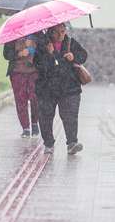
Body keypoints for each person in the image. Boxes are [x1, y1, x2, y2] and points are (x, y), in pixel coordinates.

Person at [34, 23, 88, 155]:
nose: (60, 35)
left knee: (70, 116)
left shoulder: (70, 43)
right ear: (50, 32)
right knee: (45, 116)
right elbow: (38, 65)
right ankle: (48, 143)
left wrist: (73, 56)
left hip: (69, 88)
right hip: (47, 88)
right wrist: (49, 54)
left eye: (63, 31)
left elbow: (83, 56)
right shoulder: (43, 45)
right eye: (57, 32)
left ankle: (72, 143)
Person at [3, 34, 41, 137]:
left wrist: (33, 48)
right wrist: (19, 54)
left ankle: (34, 122)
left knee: (35, 98)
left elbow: (44, 51)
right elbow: (6, 54)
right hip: (17, 72)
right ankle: (26, 128)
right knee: (21, 100)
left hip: (34, 72)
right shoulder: (12, 35)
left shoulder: (38, 33)